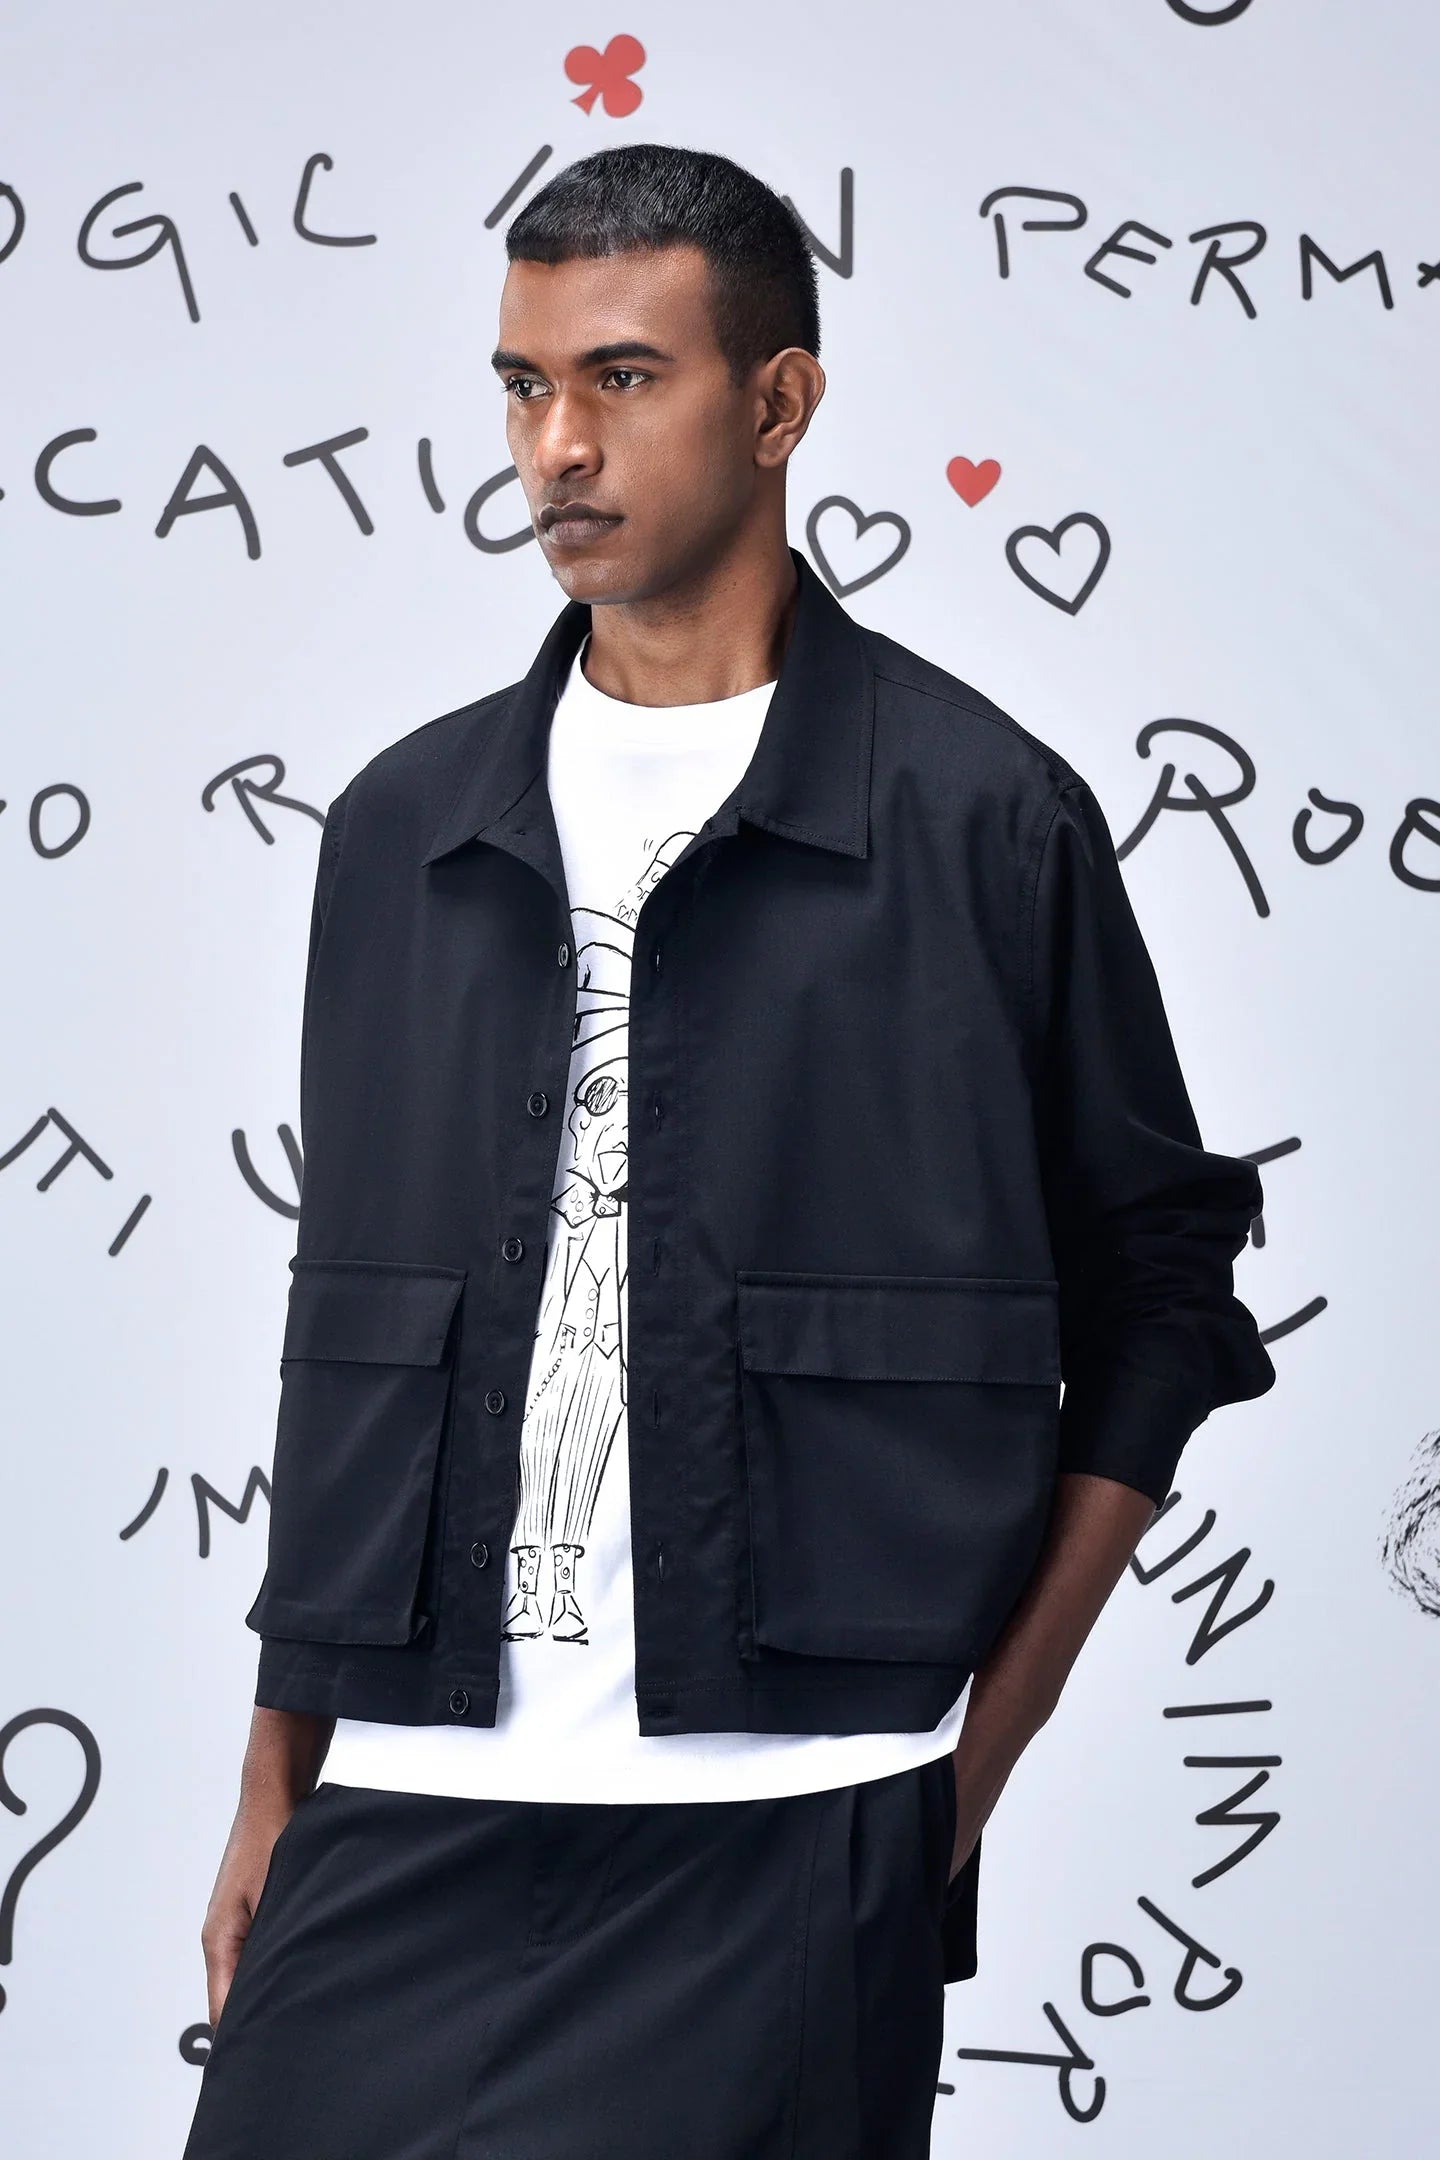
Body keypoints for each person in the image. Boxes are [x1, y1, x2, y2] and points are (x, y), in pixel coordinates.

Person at [182, 142, 1275, 2160]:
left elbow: (1163, 1296)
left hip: (789, 1833)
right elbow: (359, 1332)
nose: (559, 445)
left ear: (779, 405)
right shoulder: (405, 832)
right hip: (400, 1814)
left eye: (623, 377)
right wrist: (276, 1781)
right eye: (524, 386)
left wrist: (965, 1763)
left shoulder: (981, 820)